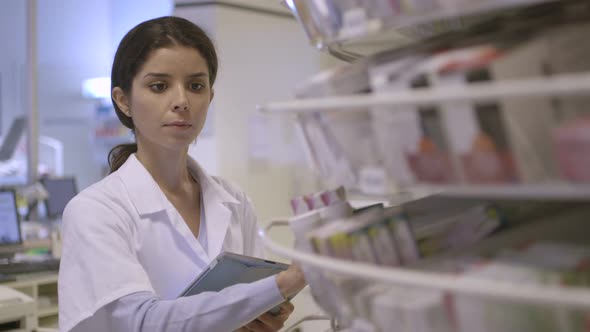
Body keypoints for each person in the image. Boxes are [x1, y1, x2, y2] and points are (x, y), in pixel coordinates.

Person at [58, 16, 306, 332]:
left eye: (196, 86)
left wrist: (262, 316)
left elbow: (246, 307)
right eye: (159, 86)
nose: (182, 101)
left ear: (210, 98)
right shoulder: (96, 211)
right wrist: (286, 282)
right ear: (124, 101)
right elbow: (143, 322)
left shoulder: (235, 202)